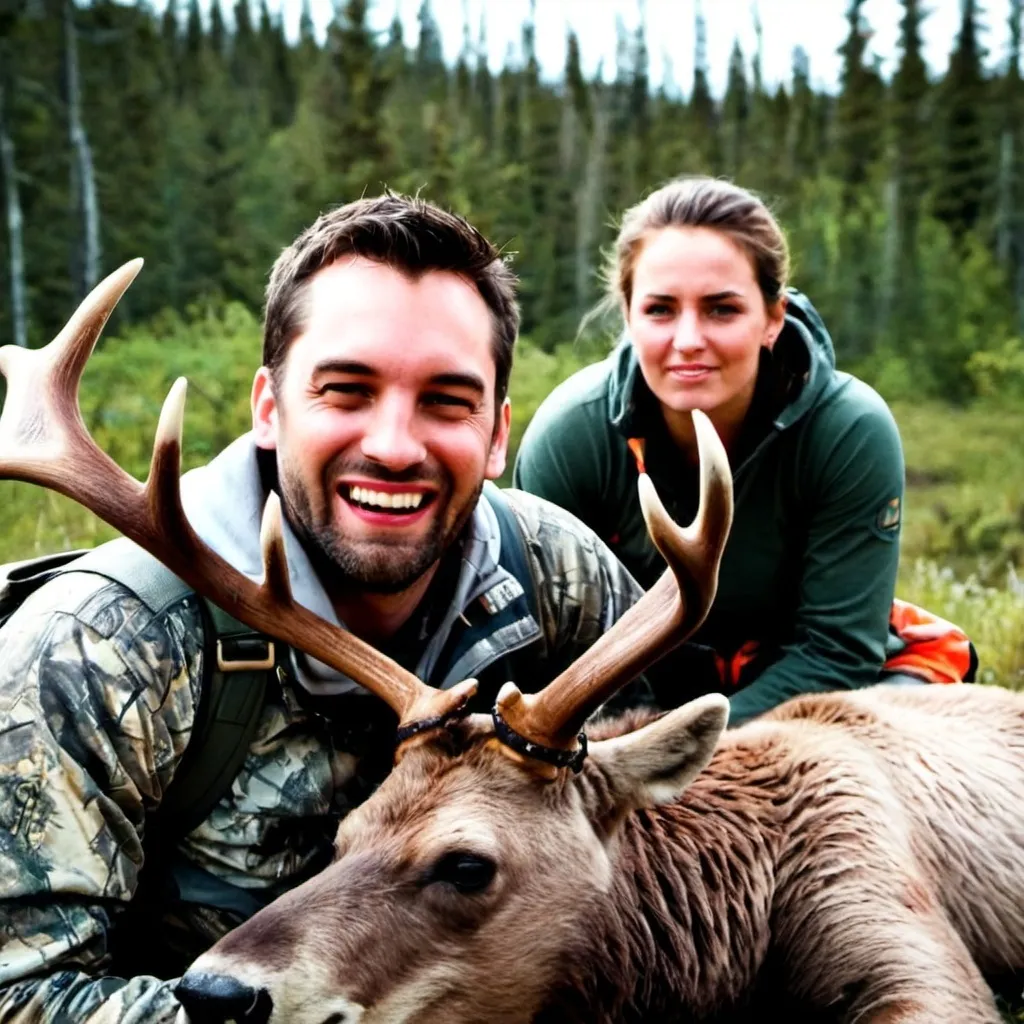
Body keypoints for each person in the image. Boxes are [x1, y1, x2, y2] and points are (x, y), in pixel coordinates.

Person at [0, 194, 648, 1022]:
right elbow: (19, 995)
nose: (393, 445)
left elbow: (679, 805)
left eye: (448, 400)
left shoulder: (554, 574)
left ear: (497, 434)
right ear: (269, 408)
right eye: (346, 390)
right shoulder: (97, 648)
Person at [514, 176, 913, 726]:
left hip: (793, 691)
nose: (688, 339)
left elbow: (838, 652)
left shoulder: (848, 431)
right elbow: (546, 648)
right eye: (660, 310)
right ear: (628, 314)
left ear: (773, 318)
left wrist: (693, 751)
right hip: (629, 703)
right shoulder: (571, 437)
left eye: (721, 309)